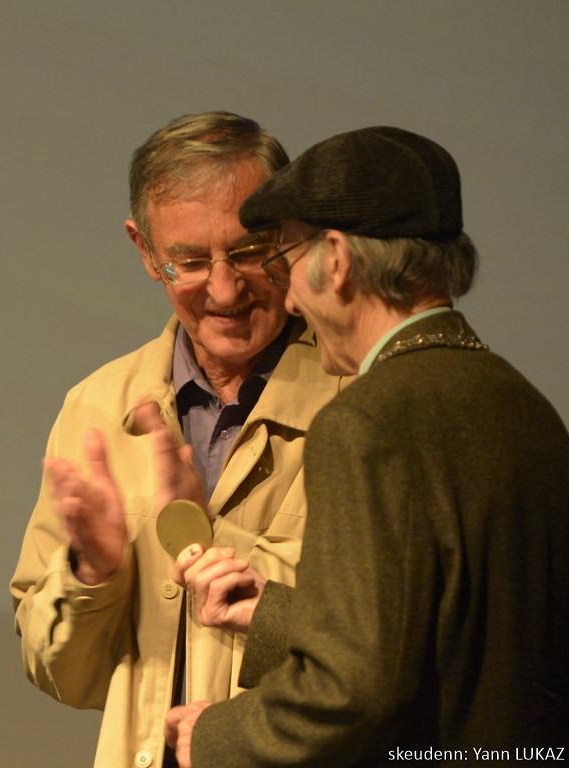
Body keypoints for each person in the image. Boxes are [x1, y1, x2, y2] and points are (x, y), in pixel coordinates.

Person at [165, 127, 569, 766]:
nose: (290, 295)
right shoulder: (524, 405)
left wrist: (215, 738)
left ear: (337, 259)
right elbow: (454, 642)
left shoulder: (365, 422)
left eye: (286, 262)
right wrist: (273, 614)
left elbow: (355, 691)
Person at [9, 111, 345, 768]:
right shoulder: (98, 405)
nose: (224, 290)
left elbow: (385, 642)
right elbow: (58, 675)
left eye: (249, 251)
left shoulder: (357, 396)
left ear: (289, 234)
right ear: (144, 252)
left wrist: (213, 548)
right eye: (189, 261)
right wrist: (93, 574)